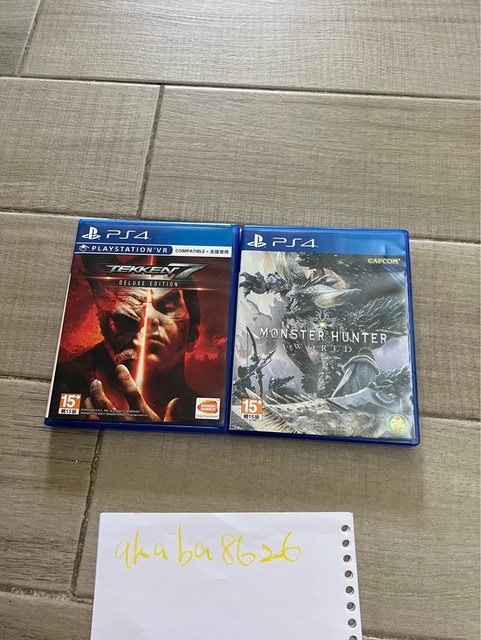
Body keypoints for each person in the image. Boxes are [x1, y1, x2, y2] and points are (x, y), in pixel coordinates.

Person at [51, 280, 201, 423]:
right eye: (125, 316)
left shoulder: (204, 413)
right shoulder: (60, 385)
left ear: (192, 336)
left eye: (168, 306)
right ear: (104, 325)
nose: (146, 318)